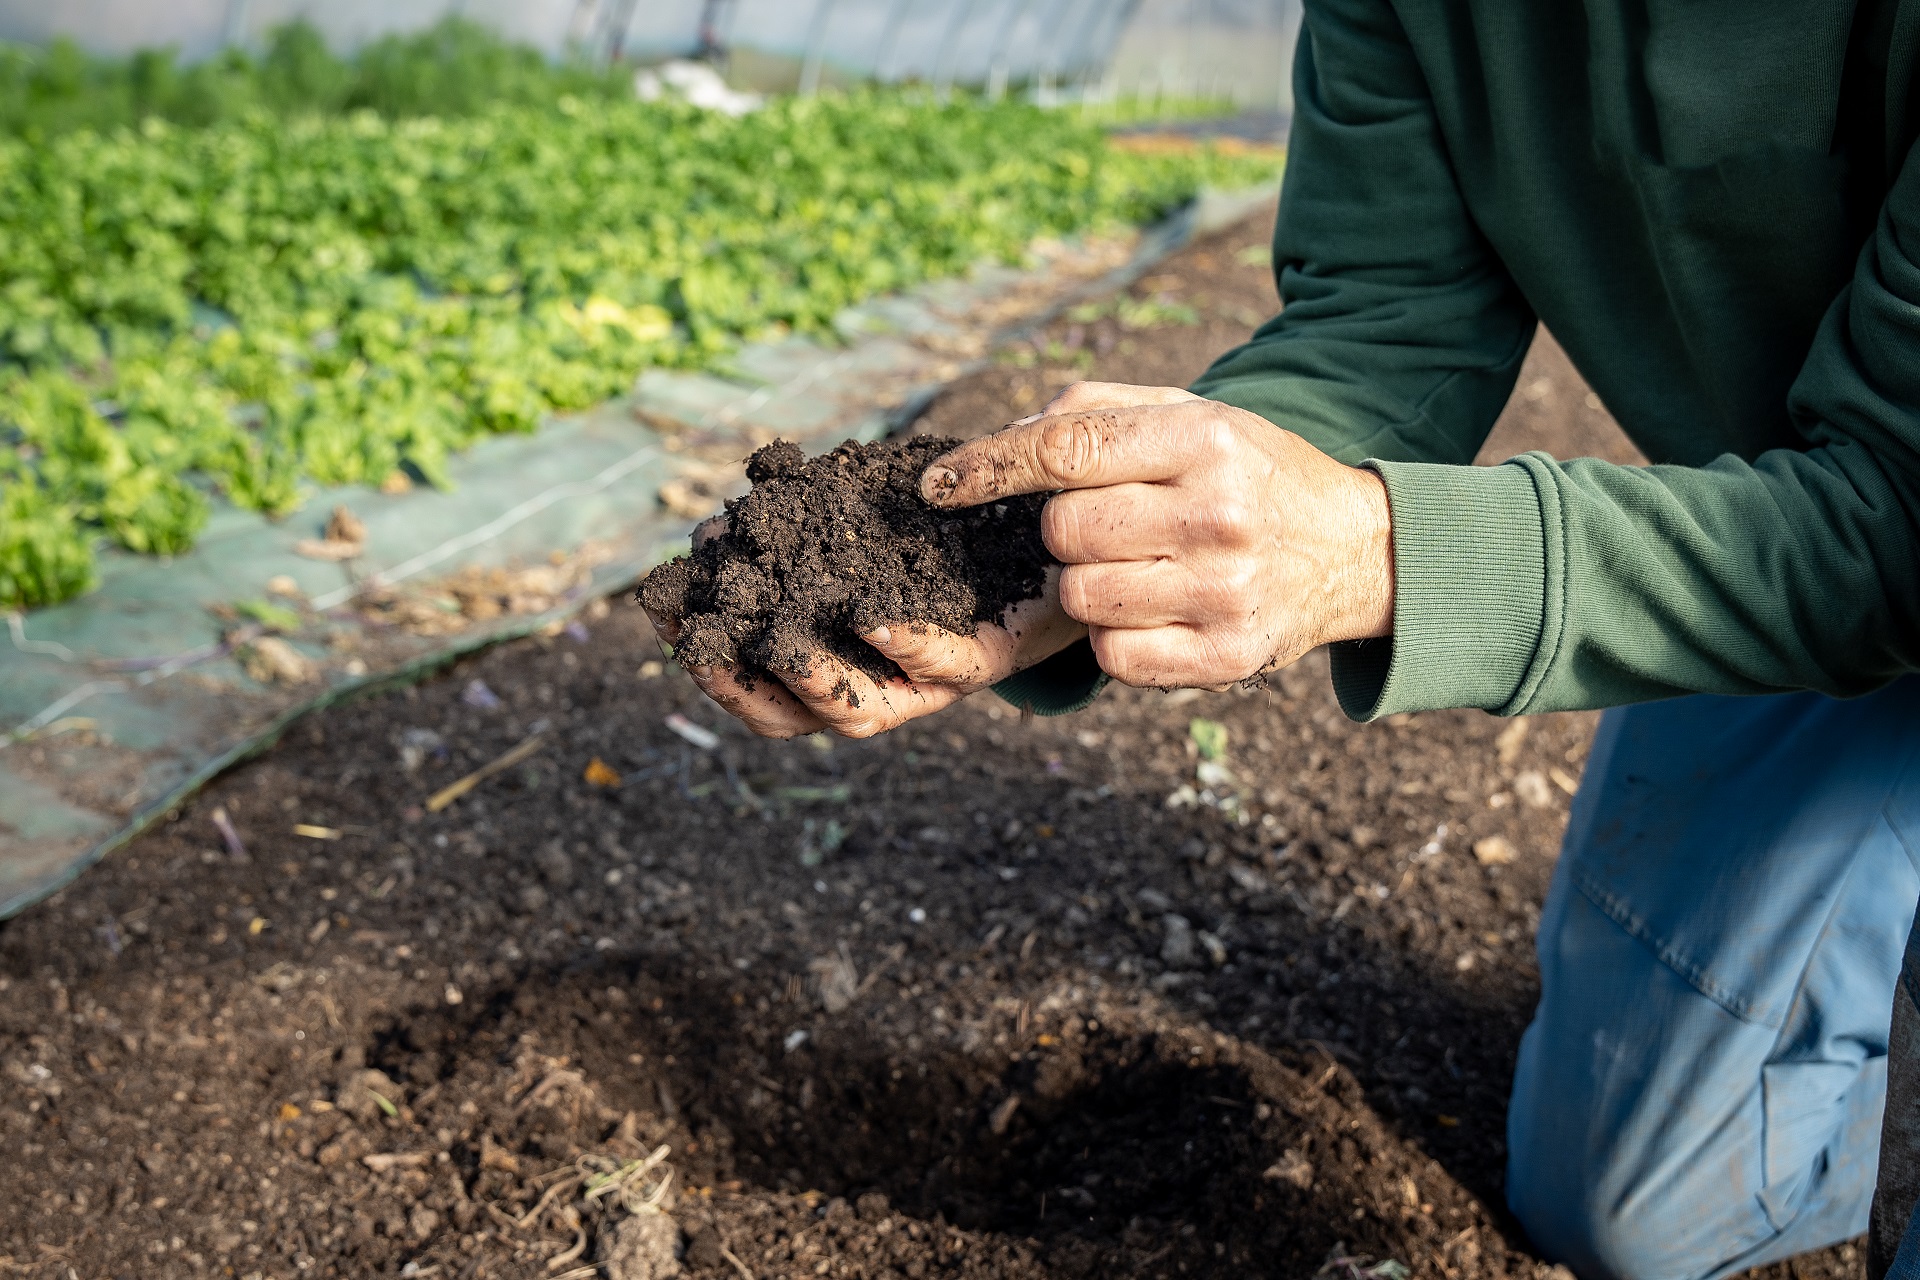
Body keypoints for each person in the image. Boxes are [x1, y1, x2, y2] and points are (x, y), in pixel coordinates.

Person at [645, 2, 1920, 1275]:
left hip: (1885, 528)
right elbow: (1389, 322)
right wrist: (1060, 549)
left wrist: (1381, 550)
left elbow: (1905, 517)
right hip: (1767, 547)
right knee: (1637, 1216)